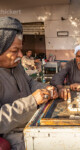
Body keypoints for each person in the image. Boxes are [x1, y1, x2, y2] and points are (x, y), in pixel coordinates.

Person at [0, 17, 58, 150]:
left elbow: (30, 83)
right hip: (15, 136)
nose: (21, 55)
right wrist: (32, 101)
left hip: (33, 121)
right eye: (15, 51)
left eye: (21, 49)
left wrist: (46, 88)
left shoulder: (17, 67)